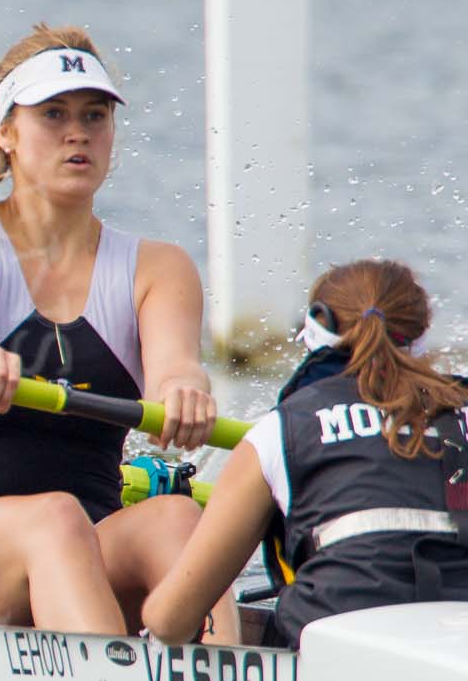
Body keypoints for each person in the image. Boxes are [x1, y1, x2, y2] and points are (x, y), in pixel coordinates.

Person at [0, 25, 219, 635]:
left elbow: (174, 364)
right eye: (54, 115)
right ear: (6, 133)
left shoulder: (158, 267)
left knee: (175, 517)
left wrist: (184, 390)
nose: (78, 133)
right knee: (54, 519)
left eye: (95, 116)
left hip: (86, 542)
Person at [145, 260, 468, 647]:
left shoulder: (279, 431)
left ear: (317, 322)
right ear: (419, 334)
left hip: (330, 642)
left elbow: (169, 621)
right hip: (451, 639)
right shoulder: (461, 409)